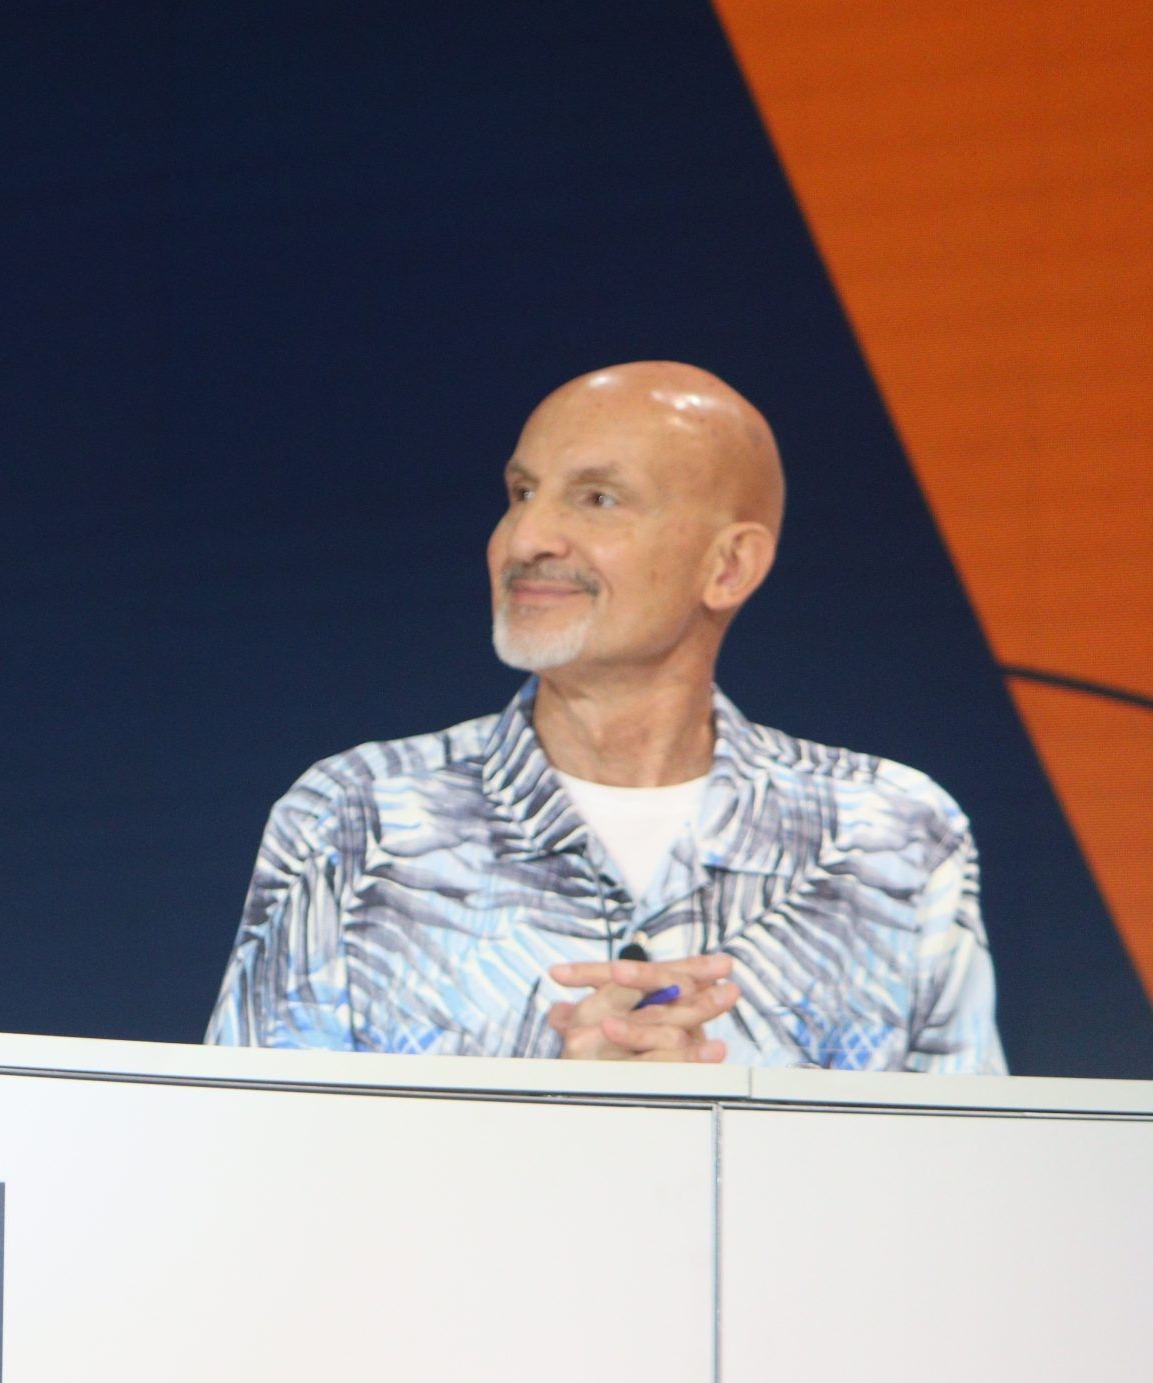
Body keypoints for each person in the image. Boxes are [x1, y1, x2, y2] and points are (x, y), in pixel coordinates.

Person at [205, 361, 1000, 1070]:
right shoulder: (358, 815)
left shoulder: (891, 834)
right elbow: (253, 1158)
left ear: (729, 566)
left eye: (598, 499)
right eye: (521, 493)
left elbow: (964, 1171)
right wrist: (562, 1116)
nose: (527, 536)